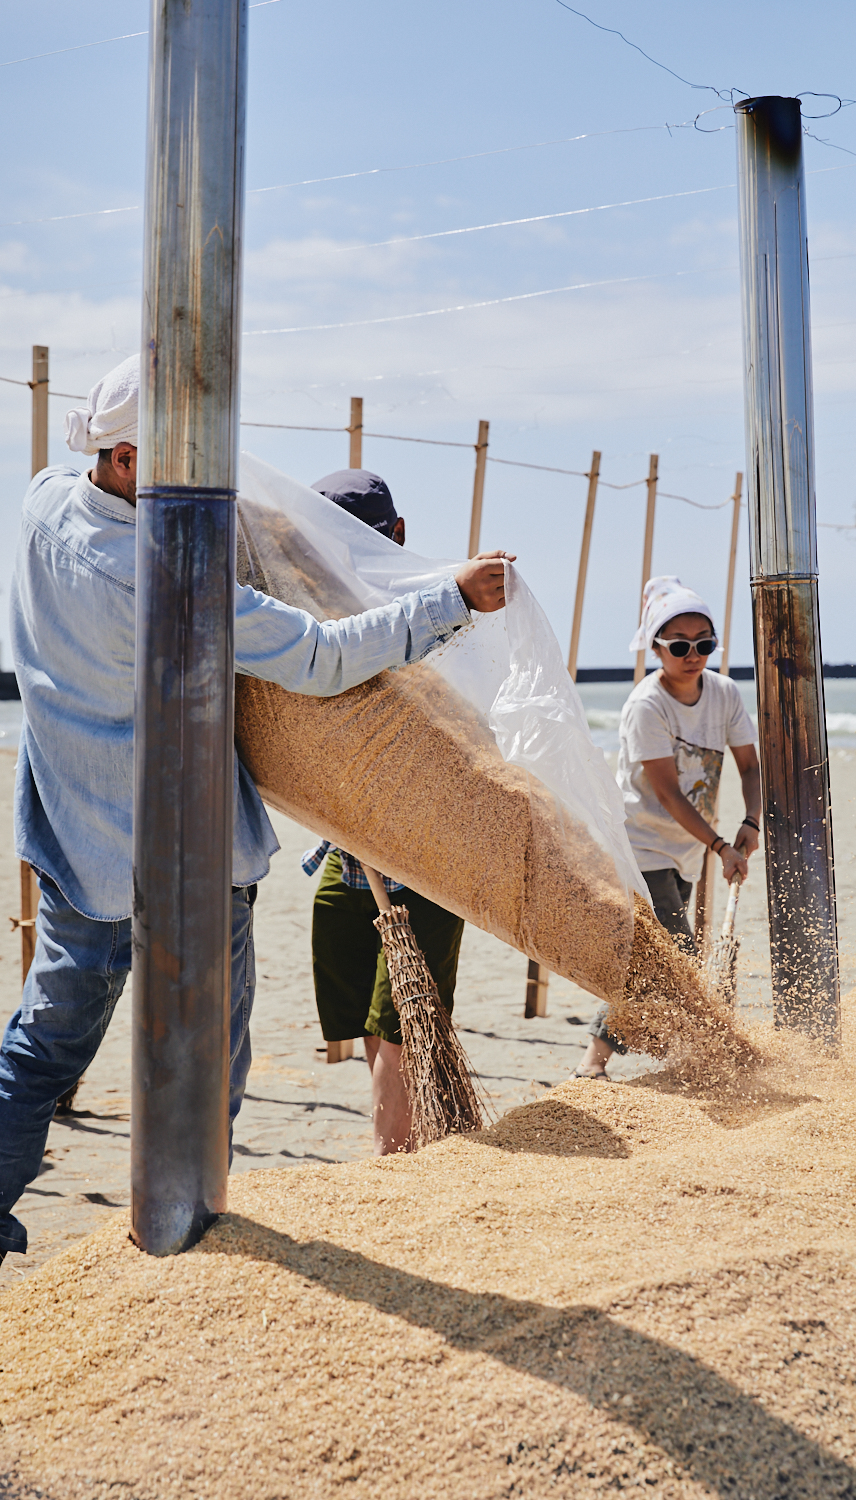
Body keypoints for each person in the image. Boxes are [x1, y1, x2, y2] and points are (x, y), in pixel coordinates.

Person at [0, 358, 513, 1266]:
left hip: (74, 832)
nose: (203, 489)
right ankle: (190, 1227)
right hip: (182, 854)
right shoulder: (163, 576)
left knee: (43, 1043)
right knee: (207, 1062)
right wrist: (451, 598)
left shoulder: (42, 503)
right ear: (125, 459)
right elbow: (319, 658)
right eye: (179, 467)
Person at [300, 468, 466, 1155]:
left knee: (403, 1021)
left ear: (397, 535)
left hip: (426, 862)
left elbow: (464, 744)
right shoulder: (309, 622)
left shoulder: (441, 619)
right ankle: (419, 1143)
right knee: (374, 1021)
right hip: (346, 860)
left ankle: (392, 1163)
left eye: (363, 539)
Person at [575, 576, 761, 1080]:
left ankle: (593, 1065)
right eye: (679, 645)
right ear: (656, 648)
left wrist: (751, 820)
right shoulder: (646, 706)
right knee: (676, 957)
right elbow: (667, 794)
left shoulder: (723, 693)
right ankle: (703, 1055)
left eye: (704, 644)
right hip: (640, 848)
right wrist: (721, 845)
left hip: (685, 848)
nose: (693, 654)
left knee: (651, 963)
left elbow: (749, 765)